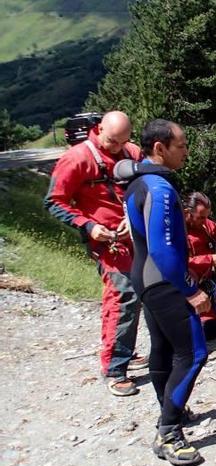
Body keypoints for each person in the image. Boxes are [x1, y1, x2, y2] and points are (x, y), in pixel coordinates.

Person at [121, 119, 211, 466]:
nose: (186, 151)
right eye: (181, 145)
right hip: (164, 282)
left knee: (162, 347)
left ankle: (168, 409)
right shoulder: (159, 188)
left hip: (143, 278)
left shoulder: (136, 182)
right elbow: (163, 248)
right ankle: (168, 432)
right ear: (159, 147)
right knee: (194, 353)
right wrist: (190, 290)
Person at [44, 111, 147, 397]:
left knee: (141, 294)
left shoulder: (130, 151)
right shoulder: (77, 159)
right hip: (107, 241)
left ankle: (124, 348)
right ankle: (115, 368)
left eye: (123, 142)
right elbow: (54, 201)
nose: (118, 148)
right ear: (99, 129)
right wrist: (89, 226)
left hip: (134, 237)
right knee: (123, 296)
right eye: (113, 141)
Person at [184, 192, 216, 339]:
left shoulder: (208, 225)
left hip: (209, 284)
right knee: (208, 329)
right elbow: (178, 262)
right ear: (188, 212)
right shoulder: (178, 231)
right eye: (200, 217)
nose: (204, 220)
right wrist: (209, 260)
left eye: (206, 216)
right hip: (188, 286)